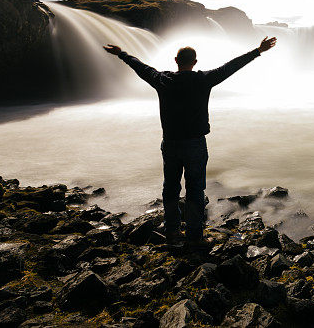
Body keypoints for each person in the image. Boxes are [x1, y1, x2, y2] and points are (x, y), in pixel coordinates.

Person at [103, 36, 277, 247]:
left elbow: (141, 67)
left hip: (171, 144)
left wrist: (122, 54)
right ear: (195, 63)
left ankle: (173, 233)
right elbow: (230, 67)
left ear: (176, 60)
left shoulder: (162, 80)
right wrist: (257, 51)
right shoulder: (203, 79)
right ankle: (195, 237)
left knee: (171, 188)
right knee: (195, 190)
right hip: (195, 144)